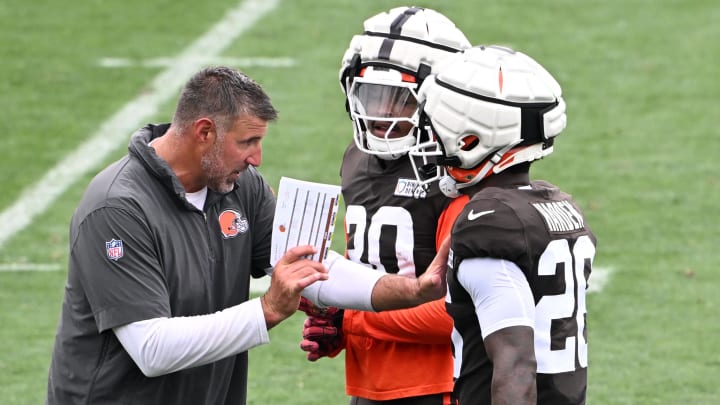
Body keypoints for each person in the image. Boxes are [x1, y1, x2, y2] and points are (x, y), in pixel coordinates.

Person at [45, 66, 450, 405]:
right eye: (248, 142)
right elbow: (151, 348)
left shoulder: (241, 186)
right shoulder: (117, 209)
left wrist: (411, 290)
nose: (257, 158)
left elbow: (310, 266)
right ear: (204, 132)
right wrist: (268, 309)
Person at [298, 7, 471, 405]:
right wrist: (338, 327)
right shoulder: (357, 159)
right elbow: (367, 265)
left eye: (399, 100)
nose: (381, 113)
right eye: (371, 95)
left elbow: (457, 313)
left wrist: (352, 317)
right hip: (369, 382)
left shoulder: (456, 174)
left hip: (443, 384)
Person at [407, 45, 597, 404]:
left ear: (473, 139)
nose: (428, 138)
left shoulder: (492, 223)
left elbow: (517, 366)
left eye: (439, 128)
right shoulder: (557, 206)